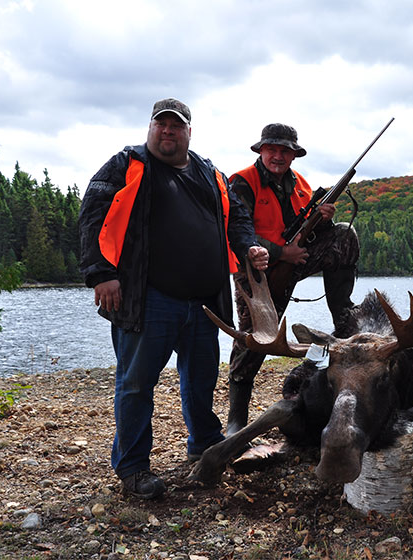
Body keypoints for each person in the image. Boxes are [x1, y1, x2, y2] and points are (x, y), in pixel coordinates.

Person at [78, 98, 269, 499]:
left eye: (175, 126)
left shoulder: (209, 172)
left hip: (205, 302)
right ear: (150, 128)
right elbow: (93, 212)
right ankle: (132, 469)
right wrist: (102, 274)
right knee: (135, 384)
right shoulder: (126, 165)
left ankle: (205, 445)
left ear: (188, 131)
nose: (167, 131)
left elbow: (237, 218)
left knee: (201, 380)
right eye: (160, 125)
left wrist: (249, 246)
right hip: (150, 298)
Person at [225, 123, 359, 434]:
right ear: (261, 150)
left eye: (285, 150)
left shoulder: (301, 185)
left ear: (294, 155)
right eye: (272, 149)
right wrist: (281, 253)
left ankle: (344, 319)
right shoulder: (241, 182)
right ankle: (236, 421)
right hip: (255, 268)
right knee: (253, 340)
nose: (278, 156)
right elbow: (236, 230)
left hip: (293, 258)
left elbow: (310, 234)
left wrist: (323, 221)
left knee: (344, 235)